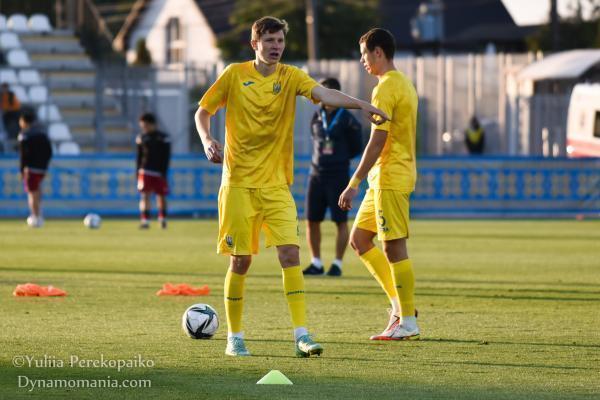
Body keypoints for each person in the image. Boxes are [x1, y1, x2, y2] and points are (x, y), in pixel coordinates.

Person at [194, 16, 388, 357]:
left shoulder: (291, 76)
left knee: (290, 255)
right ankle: (234, 338)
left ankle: (301, 335)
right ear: (255, 44)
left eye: (280, 40)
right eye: (269, 40)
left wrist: (361, 104)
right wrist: (207, 140)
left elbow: (324, 93)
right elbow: (202, 112)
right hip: (238, 185)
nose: (276, 46)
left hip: (276, 186)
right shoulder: (234, 74)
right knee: (240, 262)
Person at [338, 28, 420, 341]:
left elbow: (377, 140)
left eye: (364, 54)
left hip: (390, 175)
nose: (362, 61)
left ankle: (408, 321)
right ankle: (400, 307)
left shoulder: (384, 88)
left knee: (393, 245)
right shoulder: (405, 83)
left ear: (378, 52)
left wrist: (353, 182)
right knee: (359, 239)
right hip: (384, 177)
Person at [303, 77, 363, 277]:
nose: (321, 97)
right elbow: (315, 139)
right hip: (316, 173)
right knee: (312, 220)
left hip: (338, 175)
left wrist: (340, 158)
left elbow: (356, 146)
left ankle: (337, 263)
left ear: (337, 95)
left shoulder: (347, 118)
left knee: (340, 221)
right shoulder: (317, 115)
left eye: (326, 93)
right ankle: (316, 263)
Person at [18, 107, 52, 228]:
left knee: (32, 193)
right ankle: (39, 215)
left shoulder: (24, 135)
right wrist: (44, 165)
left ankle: (35, 217)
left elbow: (23, 155)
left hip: (31, 168)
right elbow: (49, 151)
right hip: (42, 168)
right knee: (37, 190)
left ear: (24, 121)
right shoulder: (42, 133)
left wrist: (22, 170)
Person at [135, 112, 171, 229]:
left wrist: (164, 172)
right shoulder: (141, 138)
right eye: (142, 126)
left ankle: (162, 219)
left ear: (152, 124)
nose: (144, 128)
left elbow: (166, 156)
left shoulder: (163, 138)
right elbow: (139, 157)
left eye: (145, 126)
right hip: (145, 171)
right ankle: (145, 221)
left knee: (161, 196)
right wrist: (137, 172)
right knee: (144, 195)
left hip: (159, 172)